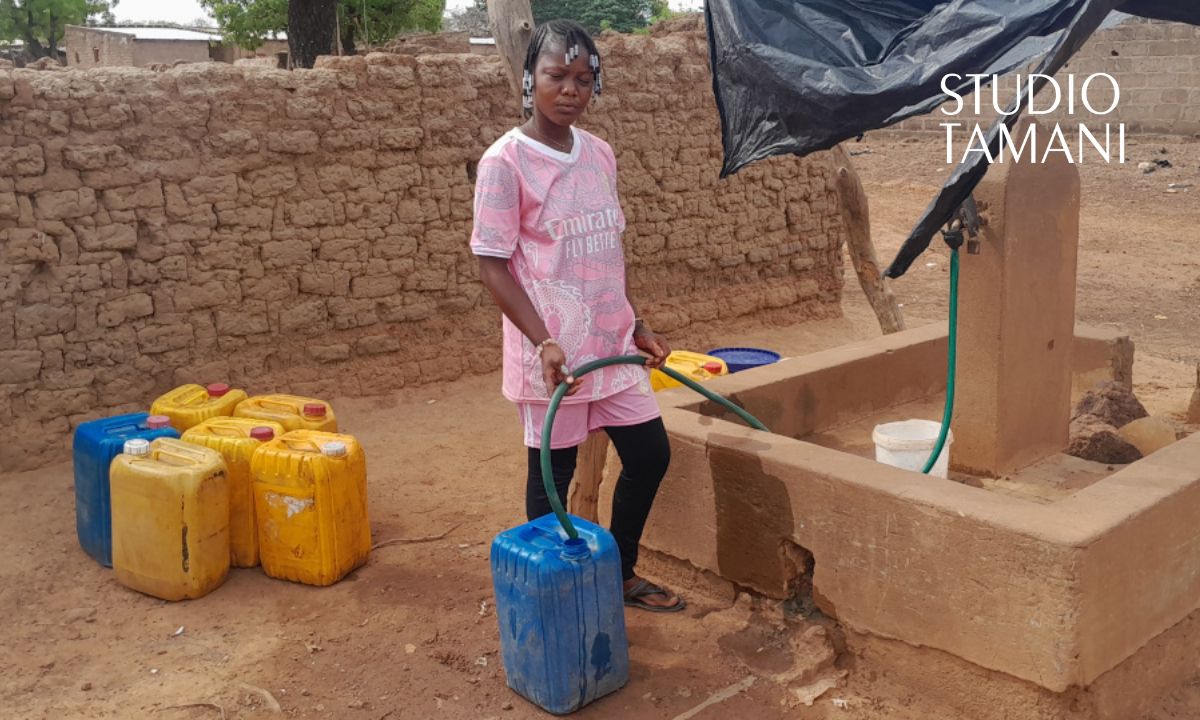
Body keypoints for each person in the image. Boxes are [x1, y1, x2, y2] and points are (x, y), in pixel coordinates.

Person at [470, 19, 684, 613]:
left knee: (649, 455)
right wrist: (542, 341)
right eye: (556, 75)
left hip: (610, 345)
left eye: (583, 79)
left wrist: (635, 321)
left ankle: (618, 573)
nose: (569, 89)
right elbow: (492, 265)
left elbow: (606, 249)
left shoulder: (600, 154)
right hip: (553, 358)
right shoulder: (505, 163)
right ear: (529, 79)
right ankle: (556, 594)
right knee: (552, 480)